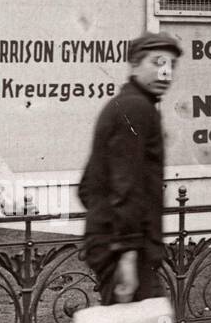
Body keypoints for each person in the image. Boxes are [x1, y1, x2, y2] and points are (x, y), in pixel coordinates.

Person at [78, 32, 182, 305]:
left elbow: (88, 186)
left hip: (116, 244)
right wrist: (127, 253)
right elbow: (126, 184)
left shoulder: (126, 105)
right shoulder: (137, 109)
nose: (166, 73)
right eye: (158, 63)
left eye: (171, 65)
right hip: (125, 250)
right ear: (134, 65)